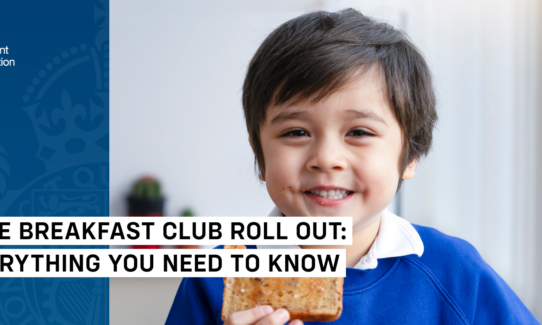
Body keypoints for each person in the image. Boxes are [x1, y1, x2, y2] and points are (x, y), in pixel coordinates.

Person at [165, 9, 540, 325]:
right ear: (260, 157)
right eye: (296, 131)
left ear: (408, 157)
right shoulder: (213, 279)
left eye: (359, 132)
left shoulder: (455, 272)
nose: (327, 158)